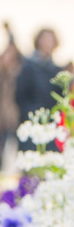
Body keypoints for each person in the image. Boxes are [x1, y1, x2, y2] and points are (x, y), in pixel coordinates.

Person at [15, 28, 63, 151]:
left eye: (51, 40)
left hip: (51, 128)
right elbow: (20, 96)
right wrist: (32, 116)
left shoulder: (57, 71)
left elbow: (60, 100)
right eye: (45, 39)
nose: (48, 43)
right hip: (32, 125)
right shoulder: (28, 67)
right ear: (38, 41)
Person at [0, 23, 21, 162]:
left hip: (12, 119)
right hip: (2, 119)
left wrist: (11, 33)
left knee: (11, 154)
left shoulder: (17, 74)